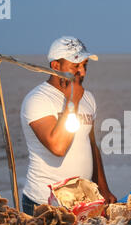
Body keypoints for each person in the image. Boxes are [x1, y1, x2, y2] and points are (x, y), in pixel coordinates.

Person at [20, 36, 116, 215]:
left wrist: (103, 188)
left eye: (85, 65)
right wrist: (72, 102)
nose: (83, 72)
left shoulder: (87, 98)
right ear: (56, 66)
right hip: (44, 204)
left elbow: (91, 145)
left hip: (81, 201)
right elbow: (57, 147)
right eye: (76, 65)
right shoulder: (38, 100)